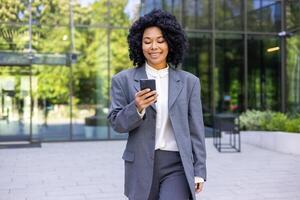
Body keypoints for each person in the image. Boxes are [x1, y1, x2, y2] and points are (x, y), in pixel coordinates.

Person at [107, 9, 206, 200]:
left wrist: (199, 169)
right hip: (140, 165)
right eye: (147, 41)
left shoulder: (189, 82)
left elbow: (196, 130)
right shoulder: (123, 80)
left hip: (176, 165)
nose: (154, 46)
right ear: (139, 44)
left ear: (170, 43)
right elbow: (117, 124)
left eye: (160, 40)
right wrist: (136, 107)